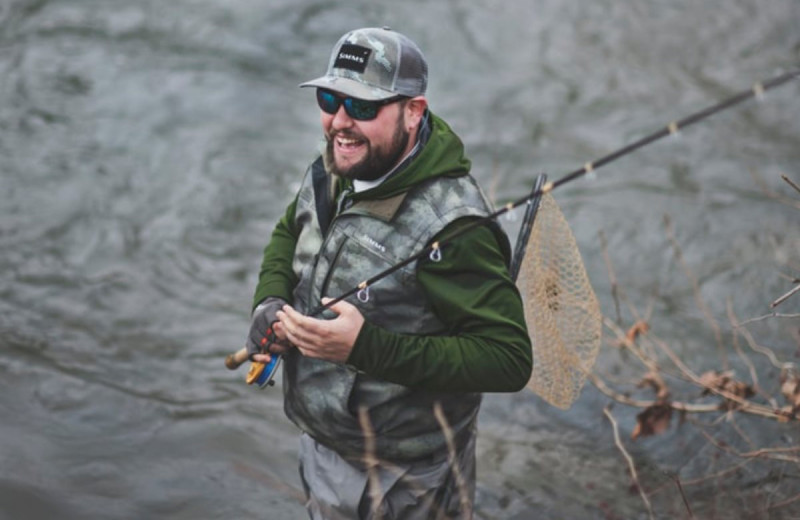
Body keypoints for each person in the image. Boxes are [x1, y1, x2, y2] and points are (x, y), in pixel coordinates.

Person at [246, 27, 532, 520]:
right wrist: (270, 301)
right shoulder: (338, 161)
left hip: (408, 477)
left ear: (413, 111)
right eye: (329, 98)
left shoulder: (457, 227)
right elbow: (290, 230)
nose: (338, 121)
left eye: (362, 106)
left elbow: (507, 359)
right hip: (324, 442)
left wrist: (364, 348)